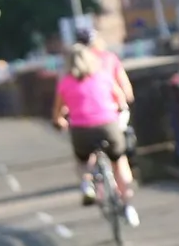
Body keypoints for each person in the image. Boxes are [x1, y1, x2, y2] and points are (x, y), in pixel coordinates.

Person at [51, 45, 138, 226]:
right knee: (119, 161)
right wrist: (117, 109)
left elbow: (57, 113)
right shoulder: (104, 76)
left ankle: (86, 184)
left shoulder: (65, 83)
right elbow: (121, 99)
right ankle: (128, 205)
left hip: (81, 130)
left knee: (83, 160)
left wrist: (60, 121)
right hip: (108, 125)